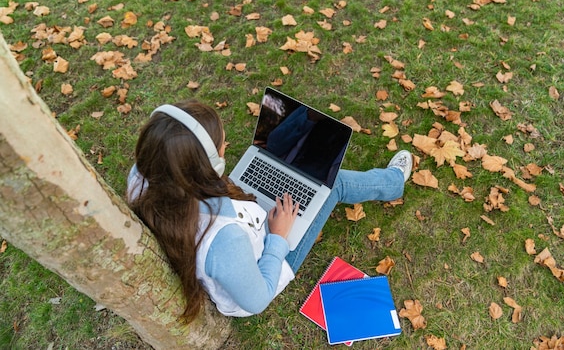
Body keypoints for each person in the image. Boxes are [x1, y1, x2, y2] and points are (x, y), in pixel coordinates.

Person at [126, 99, 412, 321]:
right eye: (221, 145)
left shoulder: (143, 178)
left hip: (241, 236)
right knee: (332, 186)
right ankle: (393, 182)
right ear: (206, 168)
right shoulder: (224, 240)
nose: (226, 144)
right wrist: (278, 238)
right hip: (263, 265)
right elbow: (257, 298)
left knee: (286, 170)